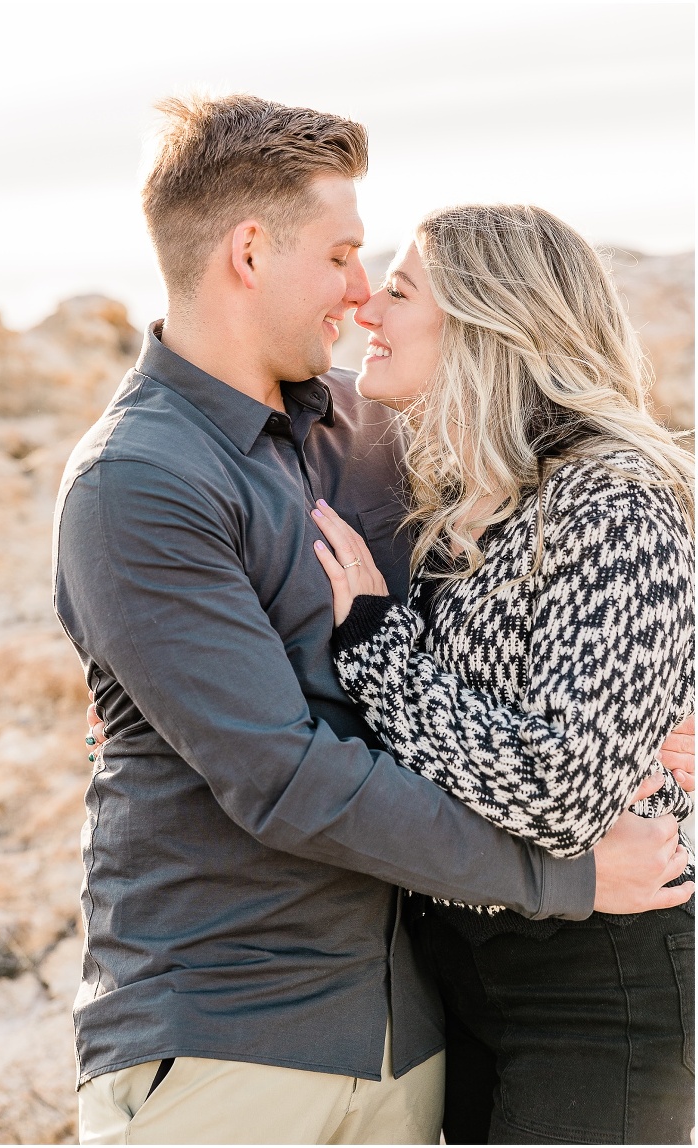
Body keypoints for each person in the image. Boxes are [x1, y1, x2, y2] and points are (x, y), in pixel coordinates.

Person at [54, 95, 693, 1146]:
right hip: (229, 1035)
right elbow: (282, 776)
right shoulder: (137, 479)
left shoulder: (375, 430)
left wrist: (656, 702)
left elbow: (599, 573)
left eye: (383, 276)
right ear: (249, 252)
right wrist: (568, 874)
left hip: (417, 1030)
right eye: (345, 256)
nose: (361, 297)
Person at [311, 204, 695, 1144]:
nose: (367, 311)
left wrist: (376, 647)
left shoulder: (610, 499)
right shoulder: (454, 497)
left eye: (399, 292)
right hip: (460, 972)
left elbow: (559, 792)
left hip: (593, 983)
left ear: (490, 322)